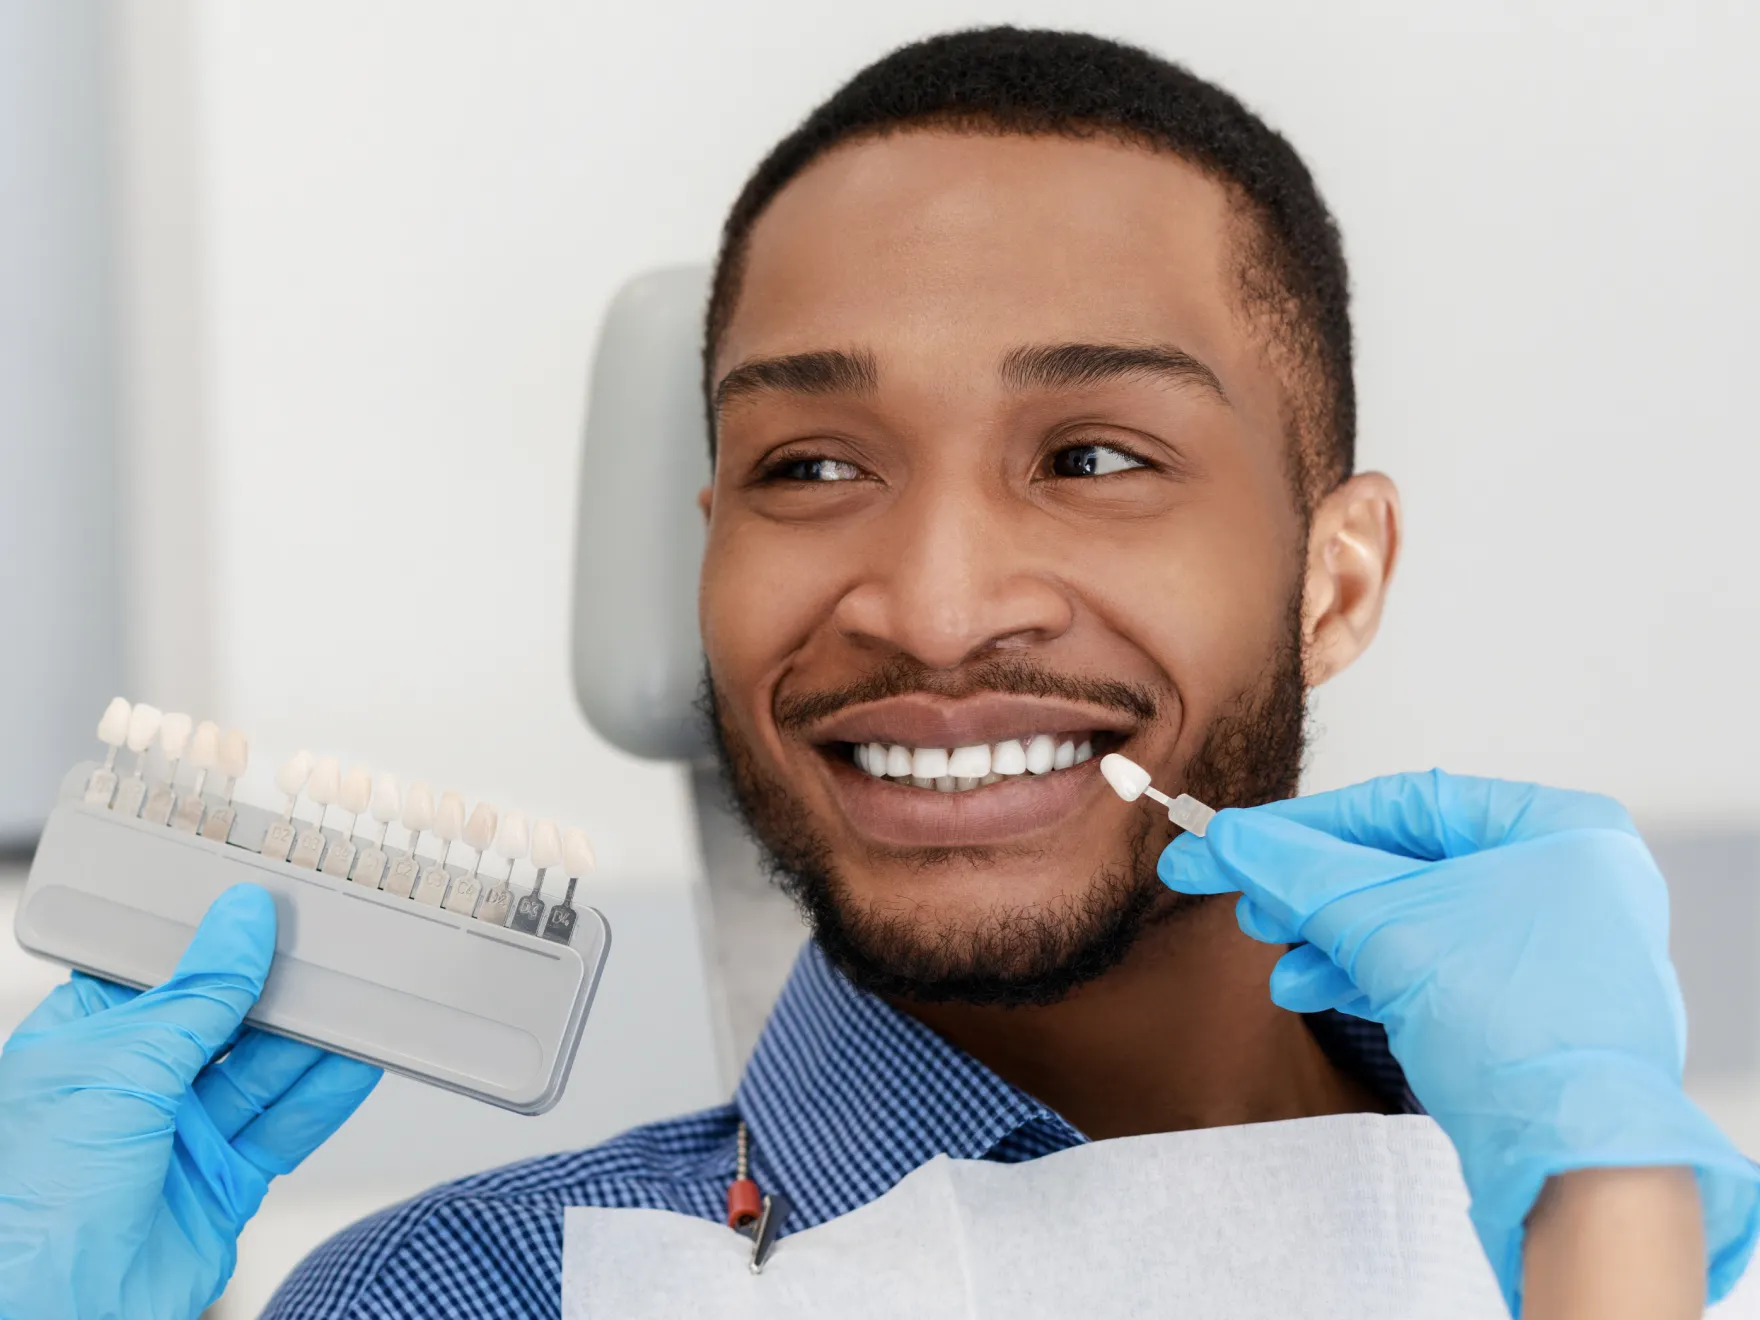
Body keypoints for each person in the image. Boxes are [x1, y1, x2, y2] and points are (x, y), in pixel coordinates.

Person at [1, 26, 1754, 1320]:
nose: (926, 607)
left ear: (1335, 573)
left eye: (1091, 458)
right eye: (812, 469)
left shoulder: (1670, 1242)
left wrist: (1614, 1222)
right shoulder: (472, 1296)